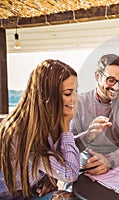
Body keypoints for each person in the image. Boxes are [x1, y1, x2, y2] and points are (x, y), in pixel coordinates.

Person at [0, 59, 81, 199]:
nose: (76, 98)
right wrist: (66, 127)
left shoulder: (51, 126)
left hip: (31, 191)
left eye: (76, 91)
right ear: (48, 97)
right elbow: (70, 173)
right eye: (68, 93)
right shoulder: (20, 135)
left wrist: (47, 179)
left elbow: (58, 160)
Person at [70, 54, 119, 175]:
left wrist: (108, 160)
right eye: (111, 80)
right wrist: (88, 135)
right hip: (86, 166)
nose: (116, 87)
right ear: (97, 76)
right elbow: (70, 146)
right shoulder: (78, 103)